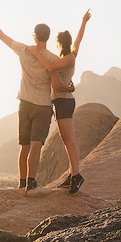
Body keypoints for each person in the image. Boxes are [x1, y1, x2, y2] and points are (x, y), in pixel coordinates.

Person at [0, 4, 69, 192]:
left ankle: (21, 183)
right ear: (48, 37)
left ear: (34, 35)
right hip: (42, 106)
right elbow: (56, 83)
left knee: (24, 146)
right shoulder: (51, 58)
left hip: (24, 105)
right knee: (36, 146)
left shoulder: (24, 50)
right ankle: (31, 184)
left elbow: (1, 35)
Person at [49, 10, 91, 194]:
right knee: (69, 140)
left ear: (58, 43)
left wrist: (70, 88)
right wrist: (83, 22)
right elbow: (79, 40)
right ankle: (73, 174)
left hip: (62, 100)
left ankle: (76, 176)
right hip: (65, 102)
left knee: (69, 140)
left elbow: (57, 85)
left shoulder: (63, 60)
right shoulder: (72, 55)